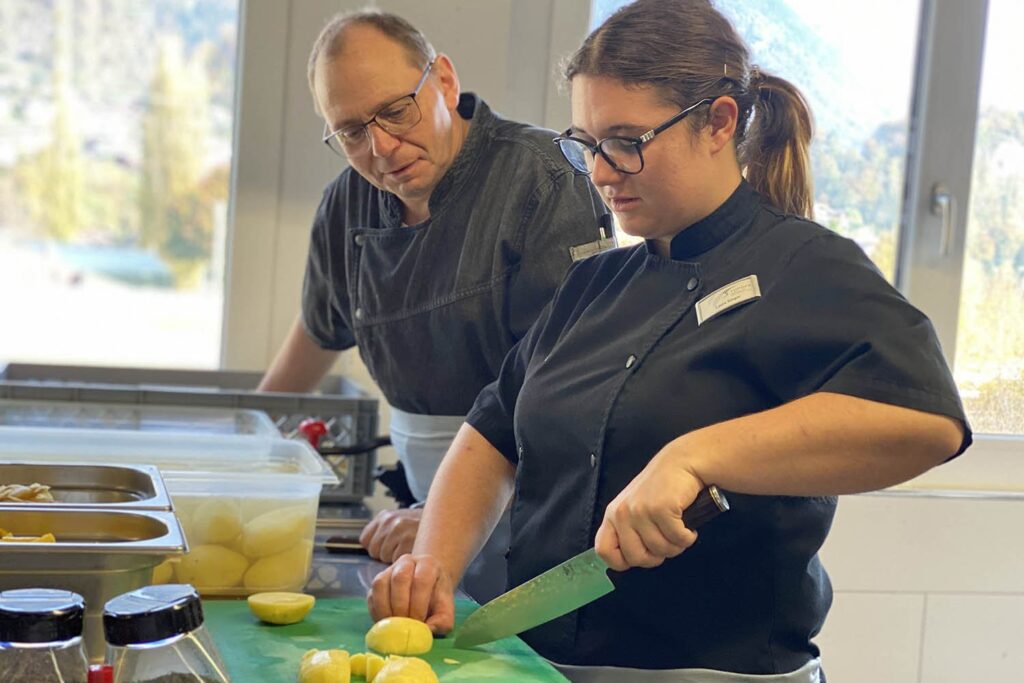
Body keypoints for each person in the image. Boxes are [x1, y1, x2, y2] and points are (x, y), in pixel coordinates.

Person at [366, 1, 971, 680]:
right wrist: (432, 566)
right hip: (538, 665)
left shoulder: (804, 266)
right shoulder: (592, 285)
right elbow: (491, 434)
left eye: (627, 141)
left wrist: (695, 456)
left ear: (719, 122)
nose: (600, 172)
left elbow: (925, 421)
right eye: (587, 143)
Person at [258, 9, 608, 602]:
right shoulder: (347, 203)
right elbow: (320, 331)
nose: (381, 147)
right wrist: (249, 445)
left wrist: (443, 521)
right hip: (424, 500)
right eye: (351, 132)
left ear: (444, 80)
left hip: (536, 501)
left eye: (396, 111)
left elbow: (571, 392)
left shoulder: (545, 179)